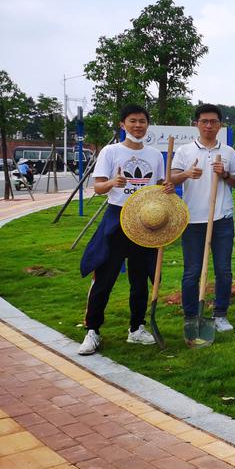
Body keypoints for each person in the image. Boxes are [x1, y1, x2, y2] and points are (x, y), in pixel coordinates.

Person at [78, 104, 173, 355]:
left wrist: (167, 188)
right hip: (117, 220)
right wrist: (113, 182)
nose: (138, 125)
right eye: (133, 121)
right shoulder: (110, 152)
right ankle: (93, 330)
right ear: (122, 124)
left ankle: (136, 328)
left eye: (142, 121)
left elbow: (159, 185)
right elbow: (98, 188)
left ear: (147, 125)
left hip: (144, 222)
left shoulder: (154, 155)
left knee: (140, 280)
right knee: (105, 278)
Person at [170, 104, 235, 333]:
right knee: (192, 271)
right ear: (196, 124)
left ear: (220, 125)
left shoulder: (229, 152)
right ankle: (191, 315)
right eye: (204, 121)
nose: (209, 126)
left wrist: (225, 174)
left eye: (213, 122)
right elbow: (170, 180)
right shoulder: (184, 152)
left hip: (222, 218)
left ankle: (220, 314)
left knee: (223, 269)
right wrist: (186, 174)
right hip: (192, 220)